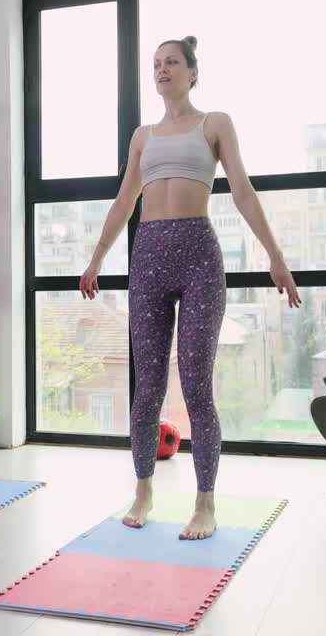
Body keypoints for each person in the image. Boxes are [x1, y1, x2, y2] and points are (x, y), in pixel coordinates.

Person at [79, 36, 301, 540]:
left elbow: (242, 190)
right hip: (149, 255)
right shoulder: (142, 136)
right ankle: (143, 490)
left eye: (171, 62)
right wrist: (95, 259)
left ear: (192, 72)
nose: (162, 69)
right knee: (148, 387)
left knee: (197, 381)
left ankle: (205, 503)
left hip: (199, 255)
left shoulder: (215, 123)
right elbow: (122, 203)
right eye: (155, 64)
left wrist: (276, 257)